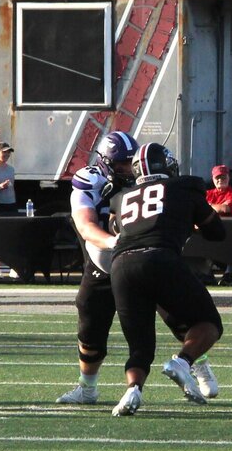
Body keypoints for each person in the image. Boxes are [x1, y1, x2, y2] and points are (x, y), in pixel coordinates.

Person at [56, 132, 220, 406]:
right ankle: (87, 388)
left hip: (137, 260)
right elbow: (85, 226)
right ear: (107, 164)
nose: (128, 169)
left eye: (131, 162)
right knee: (90, 330)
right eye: (122, 164)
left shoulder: (145, 180)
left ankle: (195, 362)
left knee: (182, 319)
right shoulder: (90, 181)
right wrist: (117, 241)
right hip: (105, 262)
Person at [108, 142, 225, 416]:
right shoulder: (185, 187)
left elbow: (120, 224)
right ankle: (183, 362)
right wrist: (189, 220)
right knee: (209, 324)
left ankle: (132, 391)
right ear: (168, 165)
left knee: (140, 345)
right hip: (159, 258)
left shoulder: (122, 196)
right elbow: (216, 233)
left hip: (121, 265)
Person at [206, 164, 232, 285]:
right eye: (218, 178)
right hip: (210, 231)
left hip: (230, 233)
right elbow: (200, 207)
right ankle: (206, 272)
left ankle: (228, 273)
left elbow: (225, 209)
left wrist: (209, 207)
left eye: (223, 177)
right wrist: (216, 207)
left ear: (228, 178)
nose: (221, 180)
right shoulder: (208, 193)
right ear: (213, 179)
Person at [0, 141, 17, 216]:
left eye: (8, 152)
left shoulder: (11, 169)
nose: (7, 154)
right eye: (4, 152)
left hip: (11, 204)